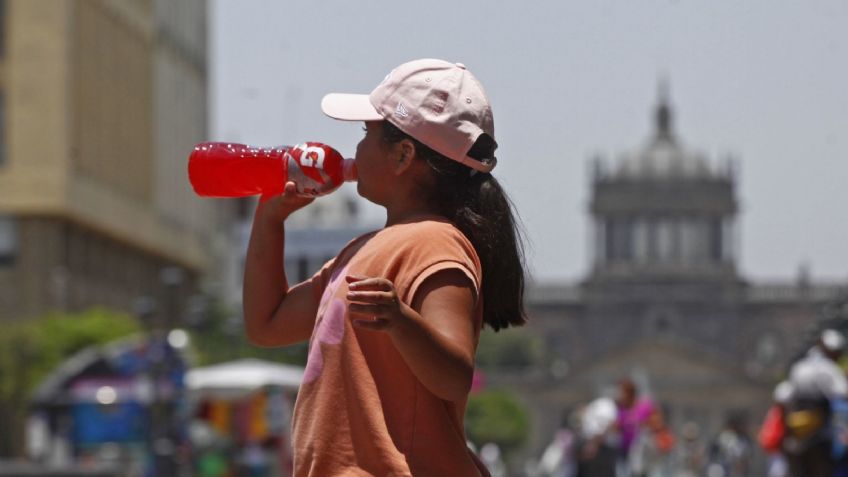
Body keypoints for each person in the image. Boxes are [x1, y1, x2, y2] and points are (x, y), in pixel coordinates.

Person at [242, 58, 527, 476]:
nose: (354, 150)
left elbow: (452, 377)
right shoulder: (362, 250)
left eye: (366, 134)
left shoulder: (435, 243)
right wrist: (269, 220)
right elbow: (266, 324)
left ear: (402, 155)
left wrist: (400, 320)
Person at [783, 328, 848, 477]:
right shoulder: (827, 368)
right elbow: (842, 392)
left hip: (796, 433)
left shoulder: (799, 367)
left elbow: (785, 396)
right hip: (819, 434)